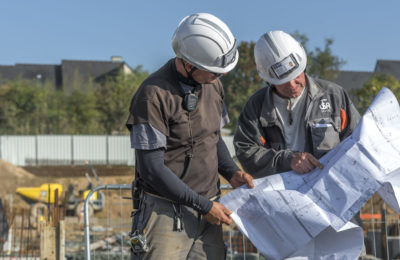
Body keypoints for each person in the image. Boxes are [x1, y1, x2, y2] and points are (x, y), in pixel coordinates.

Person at [126, 13, 254, 260]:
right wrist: (204, 206)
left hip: (208, 212)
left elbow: (212, 139)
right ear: (188, 64)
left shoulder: (213, 86)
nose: (218, 78)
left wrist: (232, 172)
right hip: (164, 214)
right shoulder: (152, 95)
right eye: (213, 72)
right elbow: (151, 169)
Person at [234, 30, 360, 178]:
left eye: (296, 76)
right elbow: (245, 150)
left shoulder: (334, 96)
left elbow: (357, 140)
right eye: (283, 82)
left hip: (329, 193)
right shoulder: (257, 106)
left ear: (303, 66)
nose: (292, 85)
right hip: (280, 195)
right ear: (269, 81)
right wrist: (287, 160)